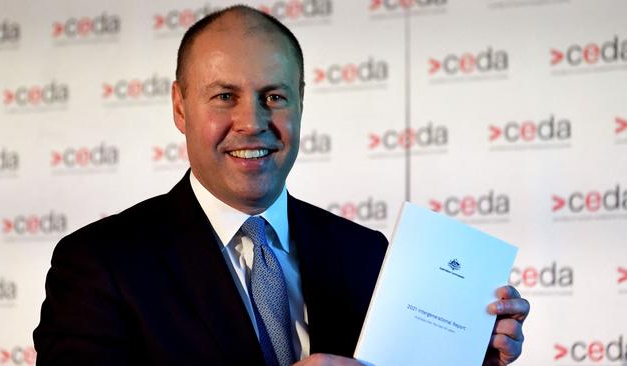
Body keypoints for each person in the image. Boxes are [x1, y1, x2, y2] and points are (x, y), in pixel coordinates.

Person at [34, 5, 529, 366]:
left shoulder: (365, 254)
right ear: (180, 108)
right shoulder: (100, 263)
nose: (252, 121)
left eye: (274, 96)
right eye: (224, 96)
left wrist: (465, 357)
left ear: (300, 103)